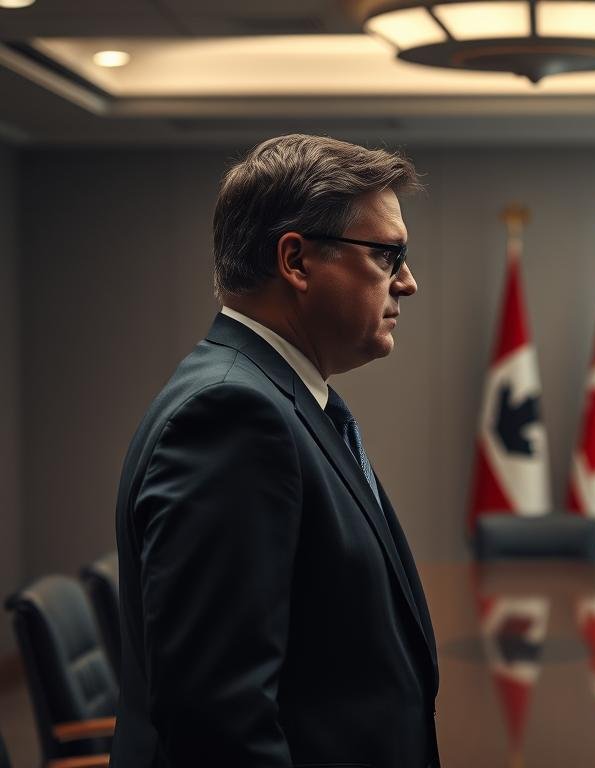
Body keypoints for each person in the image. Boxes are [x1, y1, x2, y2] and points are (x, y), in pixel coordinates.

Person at [110, 134, 439, 768]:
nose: (409, 283)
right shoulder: (233, 415)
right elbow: (217, 719)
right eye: (388, 255)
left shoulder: (280, 399)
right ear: (296, 260)